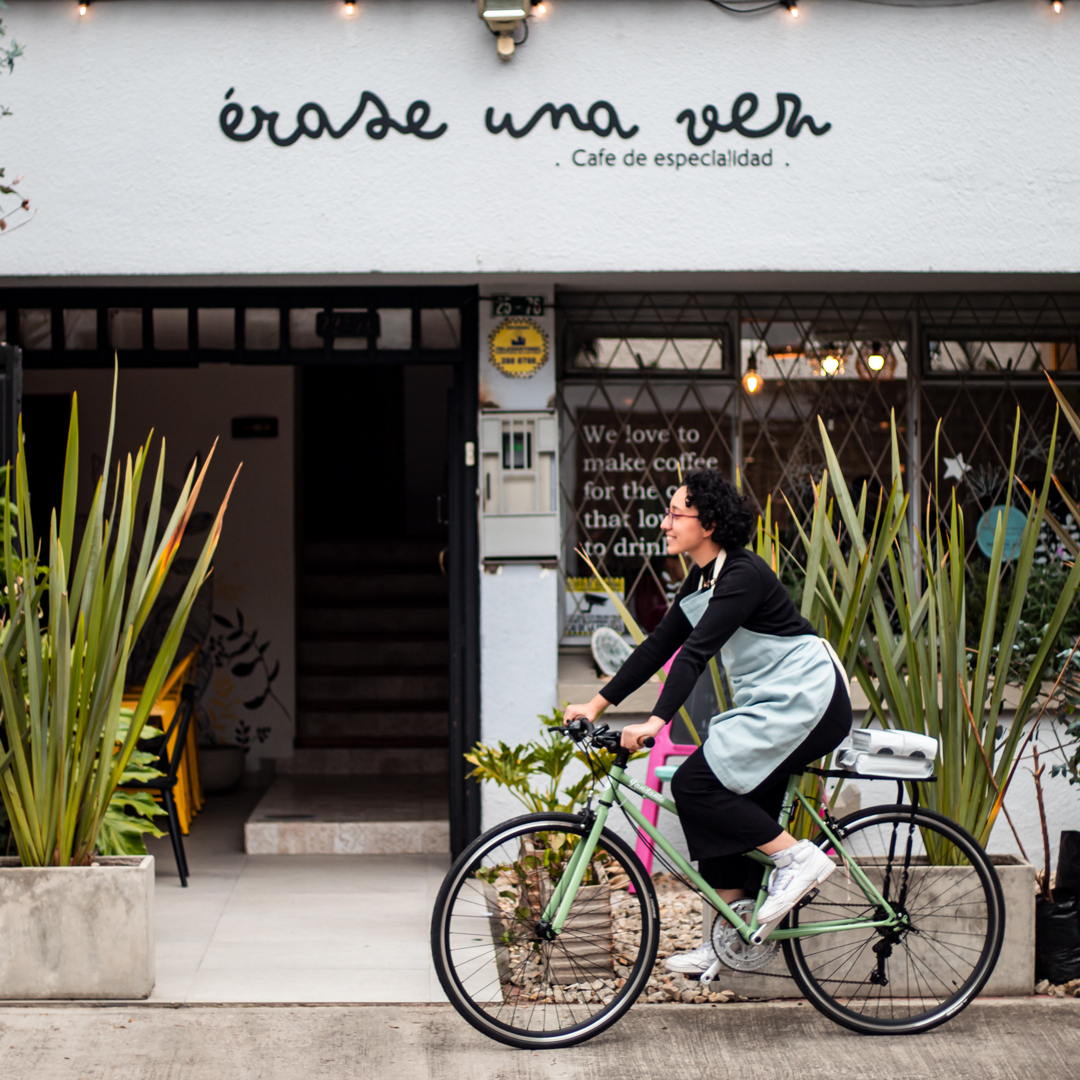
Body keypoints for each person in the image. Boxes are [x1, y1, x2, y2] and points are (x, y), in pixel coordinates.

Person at [564, 469, 852, 974]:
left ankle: (799, 859)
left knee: (697, 783)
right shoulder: (702, 578)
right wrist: (596, 704)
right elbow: (660, 646)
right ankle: (726, 941)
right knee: (718, 805)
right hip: (771, 704)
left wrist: (656, 721)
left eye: (676, 514)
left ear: (710, 523)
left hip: (809, 698)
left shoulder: (743, 574)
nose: (665, 524)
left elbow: (697, 652)